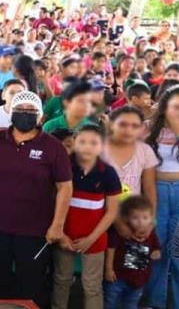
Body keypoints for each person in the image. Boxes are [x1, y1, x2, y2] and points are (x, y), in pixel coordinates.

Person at [0, 91, 72, 306]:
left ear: (39, 116)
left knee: (31, 287)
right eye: (20, 110)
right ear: (11, 113)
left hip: (34, 230)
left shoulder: (53, 147)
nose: (25, 114)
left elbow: (64, 187)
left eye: (30, 111)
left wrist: (58, 225)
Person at [51, 125, 120, 309]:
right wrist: (61, 234)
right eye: (82, 142)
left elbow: (111, 212)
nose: (87, 147)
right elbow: (52, 202)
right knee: (61, 280)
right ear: (74, 142)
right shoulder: (63, 167)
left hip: (94, 240)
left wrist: (91, 238)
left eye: (93, 143)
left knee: (92, 286)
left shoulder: (108, 173)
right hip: (64, 237)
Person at [144, 86, 179, 308]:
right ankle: (154, 302)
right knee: (156, 250)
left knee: (178, 254)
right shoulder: (148, 129)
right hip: (155, 193)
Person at [105, 196, 161, 309]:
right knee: (110, 302)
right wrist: (108, 269)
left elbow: (156, 248)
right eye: (135, 218)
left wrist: (156, 253)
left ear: (151, 218)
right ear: (126, 218)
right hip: (118, 278)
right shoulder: (121, 232)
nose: (141, 222)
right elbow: (111, 248)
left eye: (145, 217)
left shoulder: (151, 234)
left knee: (131, 304)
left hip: (139, 281)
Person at [102, 106, 157, 202]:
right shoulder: (98, 149)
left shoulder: (145, 151)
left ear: (141, 128)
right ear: (111, 125)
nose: (128, 130)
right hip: (101, 212)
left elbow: (149, 187)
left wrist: (151, 215)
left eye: (135, 126)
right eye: (122, 125)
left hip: (132, 212)